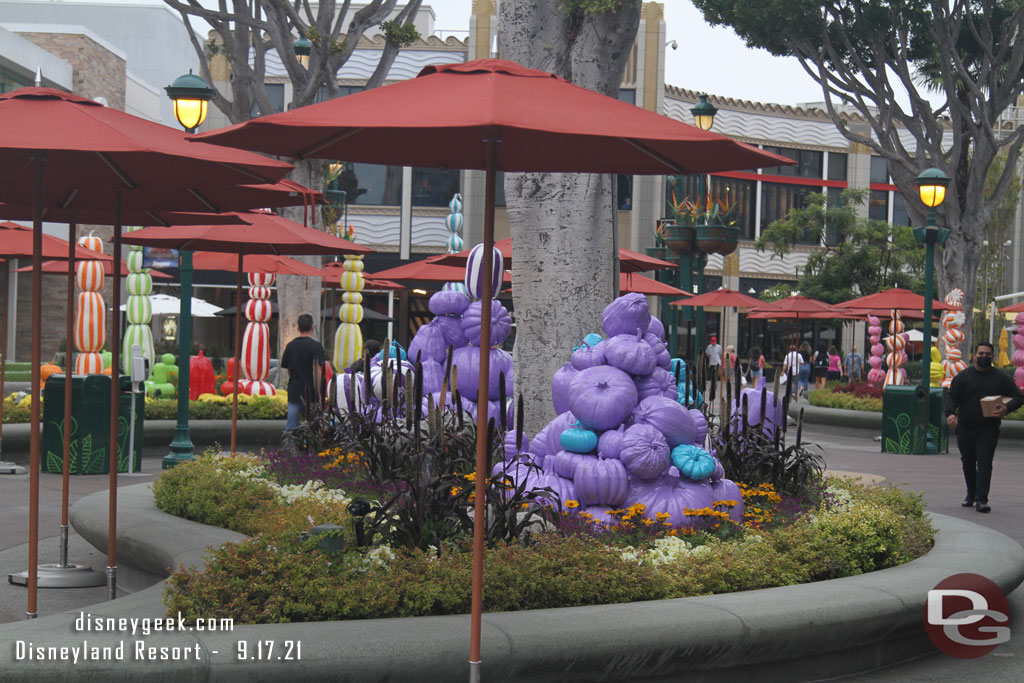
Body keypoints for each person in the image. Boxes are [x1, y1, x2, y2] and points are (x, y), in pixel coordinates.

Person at [944, 342, 1024, 513]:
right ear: (974, 355)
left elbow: (1019, 396)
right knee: (967, 462)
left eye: (988, 354)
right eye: (981, 353)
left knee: (985, 461)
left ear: (992, 357)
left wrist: (1006, 408)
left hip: (988, 428)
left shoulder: (1000, 378)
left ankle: (982, 499)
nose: (984, 357)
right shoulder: (963, 376)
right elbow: (951, 396)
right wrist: (950, 414)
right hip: (965, 426)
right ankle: (970, 494)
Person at [281, 313, 326, 433]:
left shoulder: (290, 346)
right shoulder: (316, 346)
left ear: (298, 328)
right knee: (314, 427)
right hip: (312, 391)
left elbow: (288, 369)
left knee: (291, 426)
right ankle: (313, 451)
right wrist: (320, 394)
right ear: (313, 327)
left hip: (294, 390)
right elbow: (319, 370)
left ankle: (288, 450)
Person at [705, 335, 722, 401]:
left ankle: (714, 386)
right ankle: (712, 386)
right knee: (711, 375)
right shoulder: (709, 347)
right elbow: (706, 353)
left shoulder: (719, 347)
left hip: (717, 363)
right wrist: (708, 355)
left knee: (715, 375)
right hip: (711, 363)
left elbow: (720, 355)